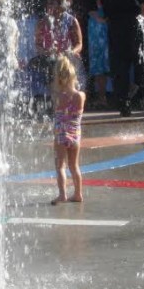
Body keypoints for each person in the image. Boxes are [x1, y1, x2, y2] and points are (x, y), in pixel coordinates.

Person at [92, 0, 144, 117]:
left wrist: (99, 17)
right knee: (141, 60)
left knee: (120, 65)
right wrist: (143, 16)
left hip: (115, 23)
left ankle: (123, 102)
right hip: (133, 21)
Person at [50, 54, 85, 204]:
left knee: (60, 166)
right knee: (74, 166)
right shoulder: (81, 95)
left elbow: (57, 113)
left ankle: (62, 195)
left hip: (61, 136)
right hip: (75, 136)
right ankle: (78, 194)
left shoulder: (57, 96)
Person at [84, 0, 109, 109]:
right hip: (106, 25)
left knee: (99, 61)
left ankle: (102, 96)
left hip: (96, 26)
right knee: (108, 59)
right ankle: (105, 94)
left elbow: (90, 9)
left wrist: (100, 17)